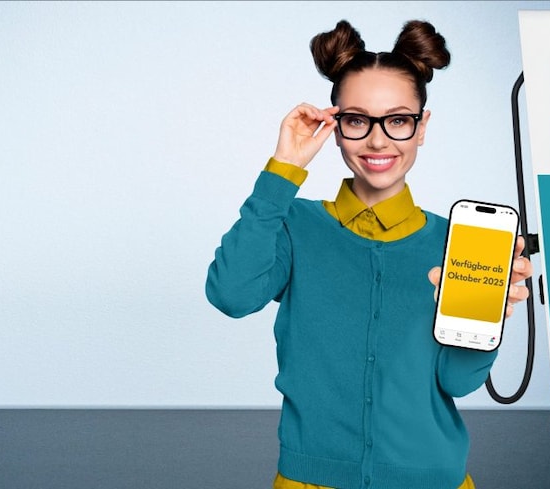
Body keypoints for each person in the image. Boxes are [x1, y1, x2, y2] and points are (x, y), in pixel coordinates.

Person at [205, 19, 533, 489]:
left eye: (398, 120)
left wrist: (489, 320)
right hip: (309, 480)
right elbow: (231, 294)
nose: (378, 141)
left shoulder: (459, 244)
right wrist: (283, 169)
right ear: (334, 126)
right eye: (357, 120)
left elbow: (458, 383)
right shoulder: (293, 224)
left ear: (422, 128)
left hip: (433, 479)